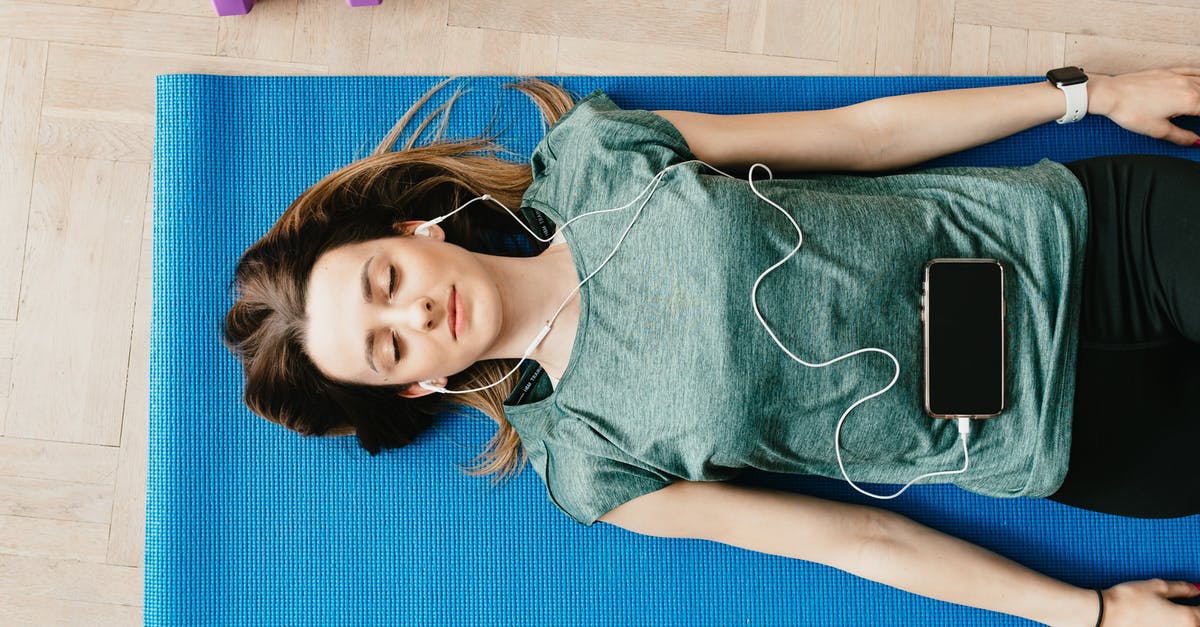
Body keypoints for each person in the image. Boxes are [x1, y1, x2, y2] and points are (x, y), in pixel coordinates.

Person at [222, 68, 1200, 626]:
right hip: (1081, 436)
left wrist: (1087, 92)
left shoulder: (598, 155)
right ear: (420, 383)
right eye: (387, 349)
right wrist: (1094, 615)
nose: (414, 317)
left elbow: (858, 135)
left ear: (412, 235)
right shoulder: (590, 465)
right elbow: (854, 539)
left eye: (384, 285)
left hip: (1090, 239)